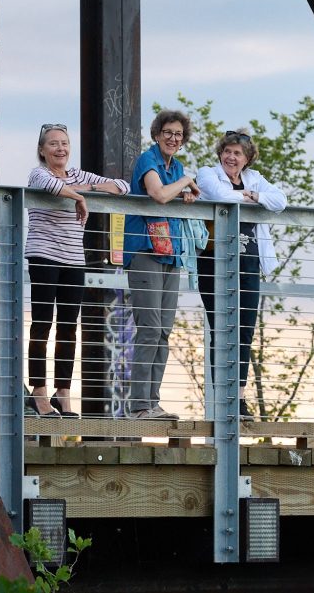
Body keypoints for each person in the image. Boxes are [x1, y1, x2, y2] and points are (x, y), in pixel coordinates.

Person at [25, 122, 130, 417]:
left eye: (64, 143)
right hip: (43, 255)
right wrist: (80, 197)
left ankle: (63, 392)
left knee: (69, 328)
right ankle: (39, 392)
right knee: (43, 323)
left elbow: (122, 187)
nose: (61, 148)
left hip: (74, 259)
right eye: (54, 144)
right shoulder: (39, 173)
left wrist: (85, 188)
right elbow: (52, 187)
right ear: (42, 151)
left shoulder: (77, 175)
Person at [196, 129, 286, 420]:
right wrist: (247, 197)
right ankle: (223, 396)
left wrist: (254, 194)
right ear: (220, 153)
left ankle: (240, 398)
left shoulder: (255, 178)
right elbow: (220, 195)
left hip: (249, 262)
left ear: (246, 159)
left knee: (244, 330)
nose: (231, 157)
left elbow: (280, 200)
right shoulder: (207, 173)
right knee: (221, 329)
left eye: (238, 153)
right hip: (215, 260)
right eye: (228, 151)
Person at [123, 109, 200, 420]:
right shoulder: (148, 160)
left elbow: (176, 193)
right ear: (157, 134)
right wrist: (185, 182)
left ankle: (152, 402)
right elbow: (157, 194)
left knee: (164, 331)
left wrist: (186, 190)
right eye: (168, 132)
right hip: (145, 252)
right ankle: (140, 405)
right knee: (149, 328)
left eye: (178, 134)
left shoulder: (175, 165)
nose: (173, 138)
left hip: (170, 253)